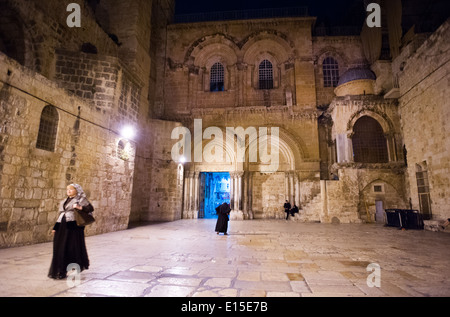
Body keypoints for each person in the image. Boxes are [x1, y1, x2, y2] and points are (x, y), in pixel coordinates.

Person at [48, 184, 94, 279]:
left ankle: (66, 269)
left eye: (71, 189)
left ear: (76, 190)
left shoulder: (81, 199)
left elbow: (90, 208)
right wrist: (55, 227)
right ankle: (61, 270)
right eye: (67, 189)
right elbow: (61, 215)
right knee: (59, 248)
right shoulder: (65, 201)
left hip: (73, 227)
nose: (68, 191)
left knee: (70, 248)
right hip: (62, 226)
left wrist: (79, 207)